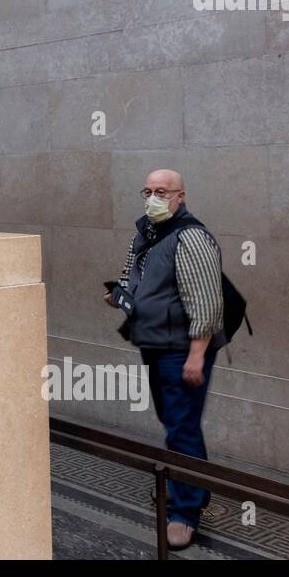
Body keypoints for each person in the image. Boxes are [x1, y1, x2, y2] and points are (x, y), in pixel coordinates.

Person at [103, 169, 224, 550]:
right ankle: (192, 490)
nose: (153, 197)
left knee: (181, 429)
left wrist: (196, 357)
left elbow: (207, 302)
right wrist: (121, 294)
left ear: (180, 196)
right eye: (148, 190)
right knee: (176, 423)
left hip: (182, 351)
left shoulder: (191, 237)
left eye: (162, 191)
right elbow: (134, 278)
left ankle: (185, 515)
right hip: (156, 344)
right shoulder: (146, 232)